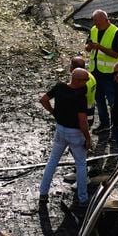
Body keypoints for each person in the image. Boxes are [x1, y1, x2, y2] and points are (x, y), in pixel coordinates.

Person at [38, 68, 91, 208]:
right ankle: (83, 198)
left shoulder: (60, 87)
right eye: (85, 80)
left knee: (52, 161)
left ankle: (43, 193)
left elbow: (43, 99)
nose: (87, 82)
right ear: (78, 81)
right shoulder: (80, 97)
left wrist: (54, 112)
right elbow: (83, 121)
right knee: (81, 164)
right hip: (75, 133)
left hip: (60, 129)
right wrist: (88, 138)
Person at [85, 9, 118, 133]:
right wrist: (90, 47)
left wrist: (100, 47)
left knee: (112, 101)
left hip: (110, 74)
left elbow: (116, 54)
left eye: (98, 23)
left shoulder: (116, 33)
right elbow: (87, 47)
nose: (96, 25)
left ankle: (116, 126)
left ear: (106, 20)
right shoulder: (94, 30)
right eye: (94, 22)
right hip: (95, 71)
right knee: (99, 100)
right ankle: (104, 124)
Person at [70, 56, 96, 126]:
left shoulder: (80, 83)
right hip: (90, 109)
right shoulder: (90, 76)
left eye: (71, 65)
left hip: (82, 112)